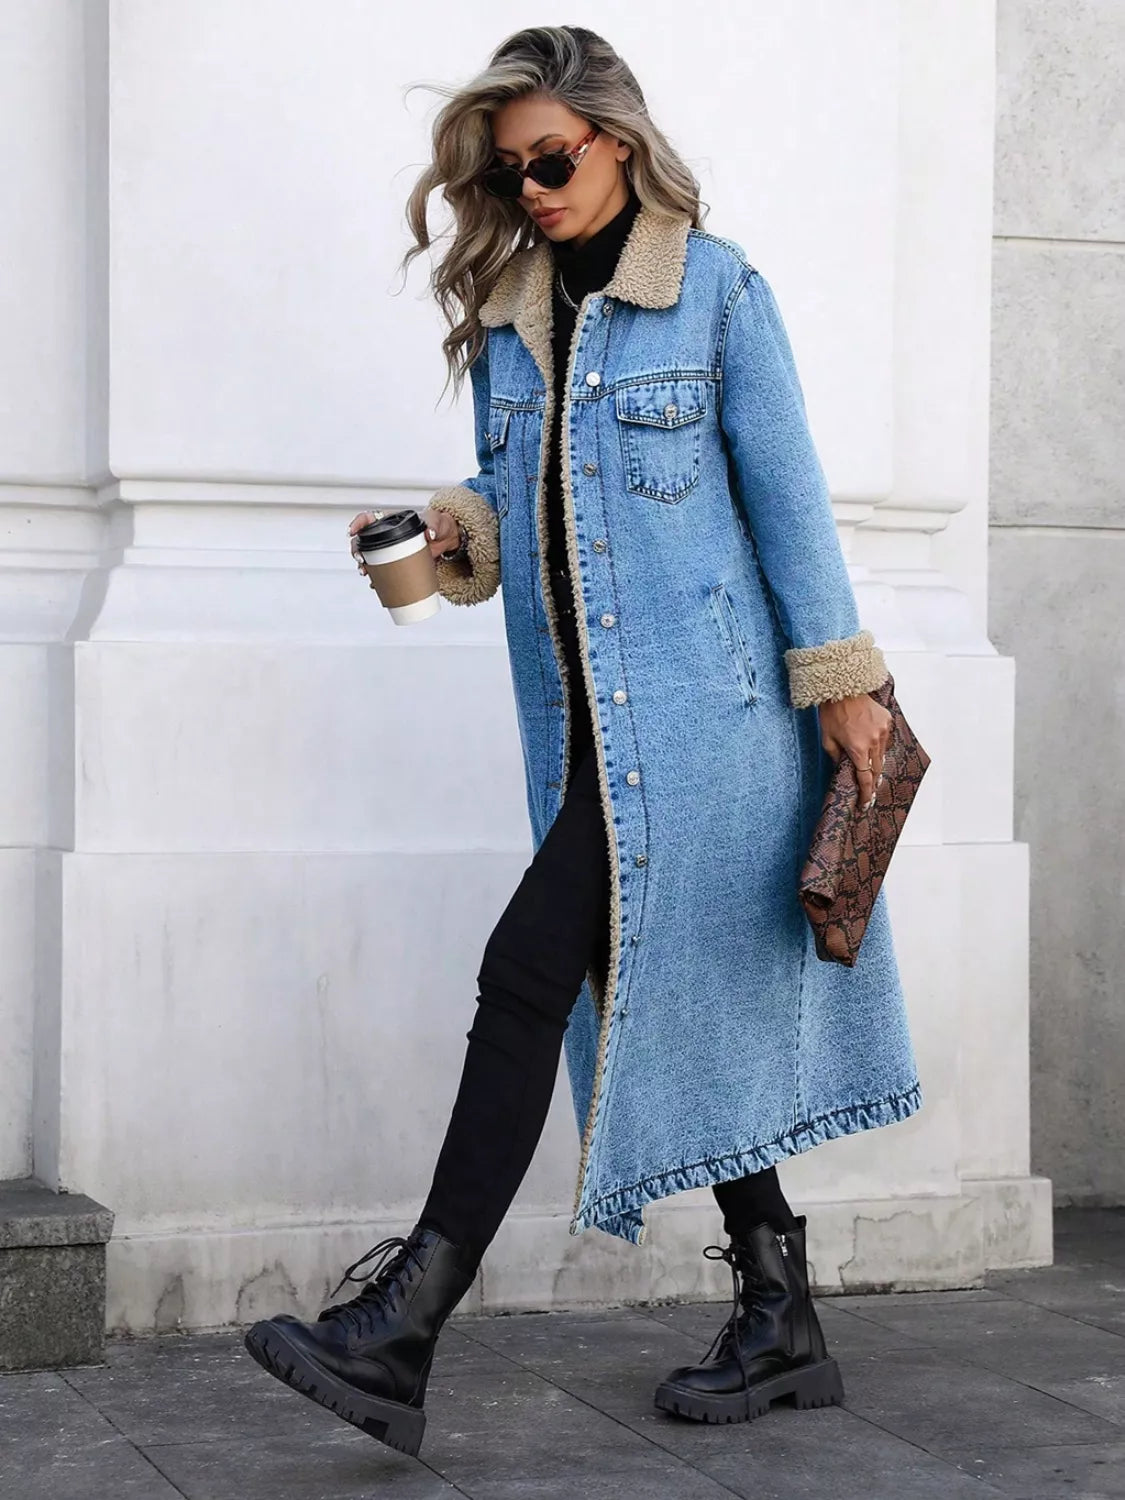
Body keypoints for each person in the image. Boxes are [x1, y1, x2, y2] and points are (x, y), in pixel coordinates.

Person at [244, 24, 923, 1457]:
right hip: (592, 742)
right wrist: (448, 537)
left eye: (552, 159)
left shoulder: (719, 297)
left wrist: (847, 691)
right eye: (512, 170)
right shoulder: (510, 313)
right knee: (654, 1008)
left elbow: (788, 508)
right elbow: (535, 518)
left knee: (526, 973)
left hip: (712, 732)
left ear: (619, 138)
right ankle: (779, 1312)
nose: (534, 188)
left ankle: (400, 1327)